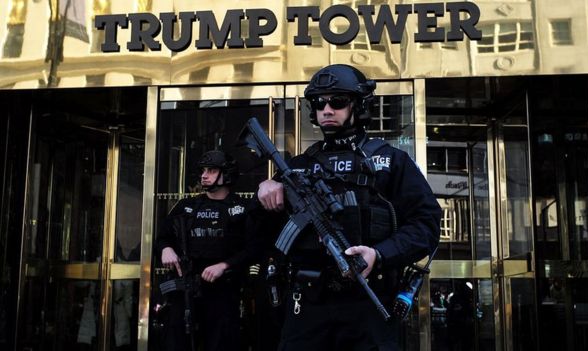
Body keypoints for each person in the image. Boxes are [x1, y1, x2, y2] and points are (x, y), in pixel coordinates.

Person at [256, 64, 442, 351]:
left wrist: (379, 255)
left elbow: (426, 227)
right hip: (308, 303)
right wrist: (265, 191)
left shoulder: (391, 161)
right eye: (319, 102)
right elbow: (262, 236)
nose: (327, 109)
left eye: (338, 101)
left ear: (359, 105)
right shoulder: (299, 167)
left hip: (368, 302)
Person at [155, 150, 257, 351]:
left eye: (211, 170)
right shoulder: (186, 206)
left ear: (226, 174)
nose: (204, 175)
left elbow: (254, 248)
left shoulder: (242, 208)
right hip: (185, 290)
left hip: (223, 291)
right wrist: (166, 249)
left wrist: (225, 265)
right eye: (203, 170)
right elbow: (163, 236)